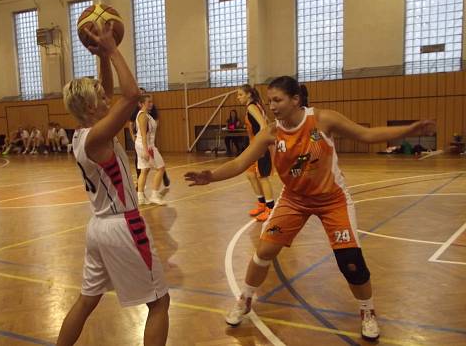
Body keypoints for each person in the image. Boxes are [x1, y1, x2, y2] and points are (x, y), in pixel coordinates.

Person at [184, 75, 435, 341]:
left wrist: (410, 130)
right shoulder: (271, 132)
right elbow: (240, 162)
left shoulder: (323, 119)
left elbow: (367, 135)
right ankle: (245, 299)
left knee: (350, 261)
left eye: (277, 100)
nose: (272, 106)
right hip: (294, 199)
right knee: (264, 250)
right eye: (269, 101)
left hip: (332, 200)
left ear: (296, 99)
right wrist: (211, 175)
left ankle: (367, 311)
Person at [57, 22, 169, 346]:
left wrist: (102, 59)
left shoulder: (83, 134)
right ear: (93, 107)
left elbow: (108, 90)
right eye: (103, 98)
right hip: (124, 226)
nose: (109, 98)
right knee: (160, 303)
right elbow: (132, 94)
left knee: (86, 300)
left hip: (98, 228)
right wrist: (112, 49)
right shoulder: (97, 137)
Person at [237, 84, 275, 222]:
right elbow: (269, 122)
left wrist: (261, 145)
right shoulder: (256, 106)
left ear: (249, 95)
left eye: (240, 94)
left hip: (260, 146)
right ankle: (261, 203)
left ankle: (270, 208)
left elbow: (264, 126)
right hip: (254, 146)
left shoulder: (252, 107)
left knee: (262, 177)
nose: (238, 97)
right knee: (250, 174)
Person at [129, 88, 171, 188]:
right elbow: (133, 126)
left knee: (146, 168)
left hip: (146, 142)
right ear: (141, 102)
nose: (151, 103)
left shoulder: (150, 111)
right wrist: (133, 137)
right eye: (149, 101)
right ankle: (154, 194)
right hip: (145, 143)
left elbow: (156, 121)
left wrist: (152, 130)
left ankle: (140, 194)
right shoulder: (140, 113)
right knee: (159, 166)